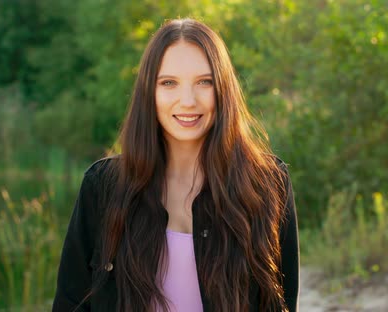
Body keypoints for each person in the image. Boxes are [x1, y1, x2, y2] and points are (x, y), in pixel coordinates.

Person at [52, 18, 299, 312]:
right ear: (149, 92)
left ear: (223, 90)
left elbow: (282, 303)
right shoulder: (104, 186)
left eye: (204, 82)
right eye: (169, 83)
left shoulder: (267, 184)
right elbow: (70, 303)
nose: (187, 101)